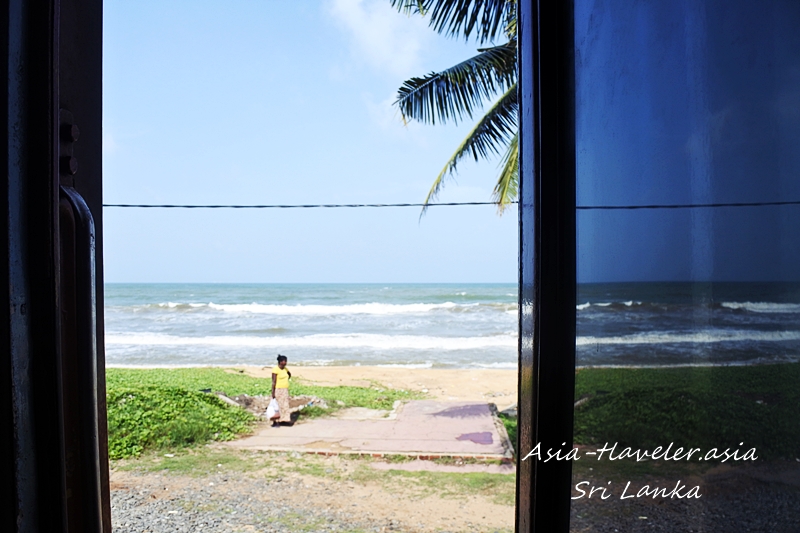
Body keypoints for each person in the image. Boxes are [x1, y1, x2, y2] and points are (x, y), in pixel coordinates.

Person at [271, 354, 292, 427]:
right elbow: (273, 382)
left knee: (285, 405)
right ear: (280, 362)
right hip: (278, 390)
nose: (285, 362)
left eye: (286, 361)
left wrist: (286, 380)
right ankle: (276, 422)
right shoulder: (275, 369)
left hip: (285, 390)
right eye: (284, 361)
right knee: (277, 406)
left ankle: (284, 420)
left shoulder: (285, 369)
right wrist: (273, 392)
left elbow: (289, 374)